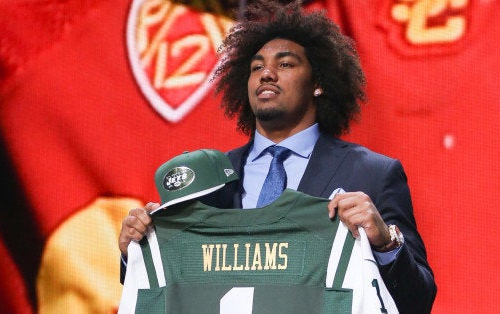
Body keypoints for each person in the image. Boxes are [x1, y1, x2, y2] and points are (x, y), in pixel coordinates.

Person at [119, 1, 437, 312]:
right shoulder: (210, 181)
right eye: (256, 67)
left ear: (319, 83)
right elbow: (175, 281)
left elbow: (418, 300)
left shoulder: (373, 174)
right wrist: (136, 249)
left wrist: (386, 245)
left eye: (284, 64)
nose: (266, 73)